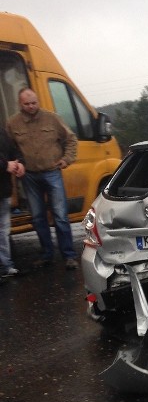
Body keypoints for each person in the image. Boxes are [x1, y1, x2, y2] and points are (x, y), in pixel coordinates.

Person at [7, 88, 79, 269]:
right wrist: (16, 163)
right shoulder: (13, 124)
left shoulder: (52, 118)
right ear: (20, 104)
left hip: (52, 171)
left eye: (34, 102)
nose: (31, 106)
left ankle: (69, 255)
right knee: (38, 217)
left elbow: (71, 139)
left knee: (60, 215)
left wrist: (66, 159)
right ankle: (47, 255)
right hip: (29, 176)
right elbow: (10, 148)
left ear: (37, 101)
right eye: (27, 104)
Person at [0, 127, 25, 277]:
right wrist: (5, 165)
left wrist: (20, 162)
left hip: (4, 189)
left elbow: (13, 150)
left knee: (3, 231)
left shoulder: (2, 132)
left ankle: (5, 266)